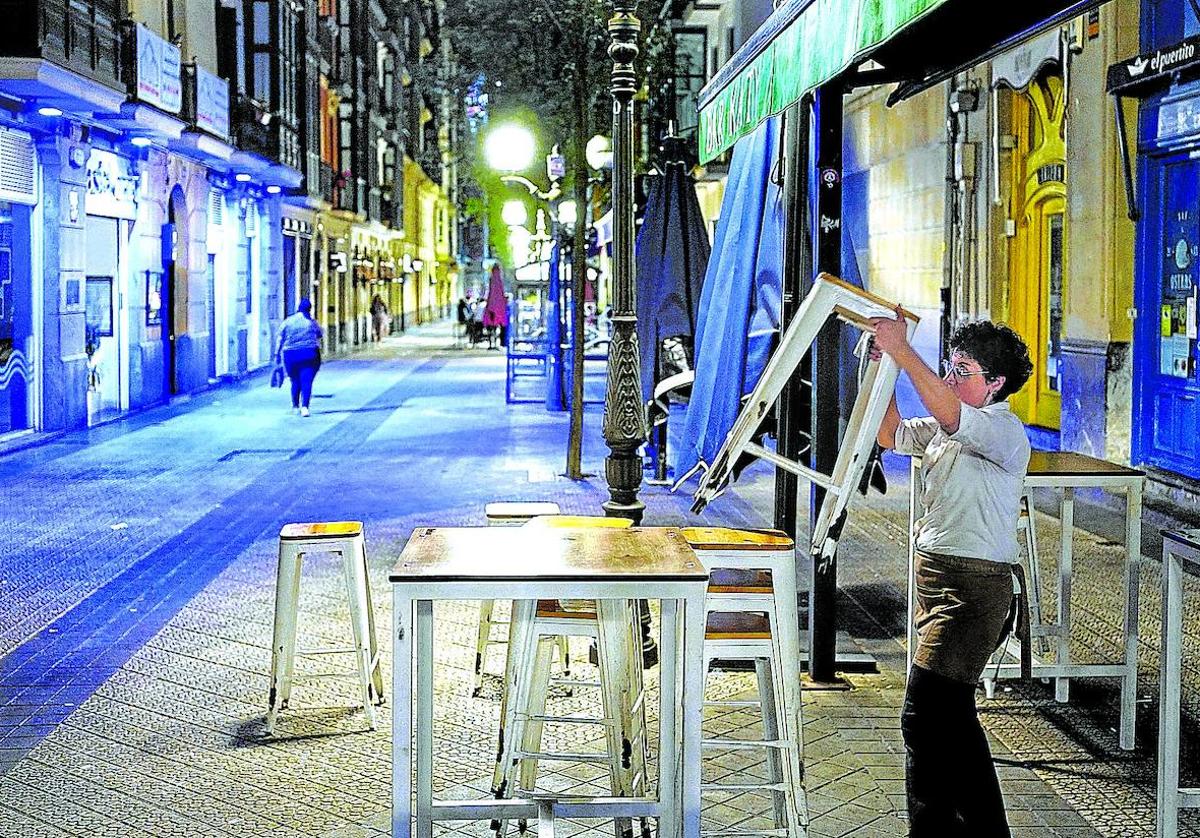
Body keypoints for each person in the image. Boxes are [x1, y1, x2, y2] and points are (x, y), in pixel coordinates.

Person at [869, 310, 1033, 838]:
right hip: (935, 584)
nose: (950, 377)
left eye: (963, 370)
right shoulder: (944, 430)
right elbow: (888, 434)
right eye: (951, 366)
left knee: (925, 713)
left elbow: (951, 412)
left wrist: (902, 350)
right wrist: (881, 370)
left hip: (974, 592)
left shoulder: (1003, 430)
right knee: (950, 721)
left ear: (995, 384)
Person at [275, 298, 324, 417]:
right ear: (309, 309)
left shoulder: (288, 321)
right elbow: (320, 334)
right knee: (306, 381)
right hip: (309, 354)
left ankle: (295, 406)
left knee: (295, 380)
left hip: (291, 355)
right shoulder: (311, 322)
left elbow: (280, 337)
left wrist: (277, 354)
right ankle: (305, 407)